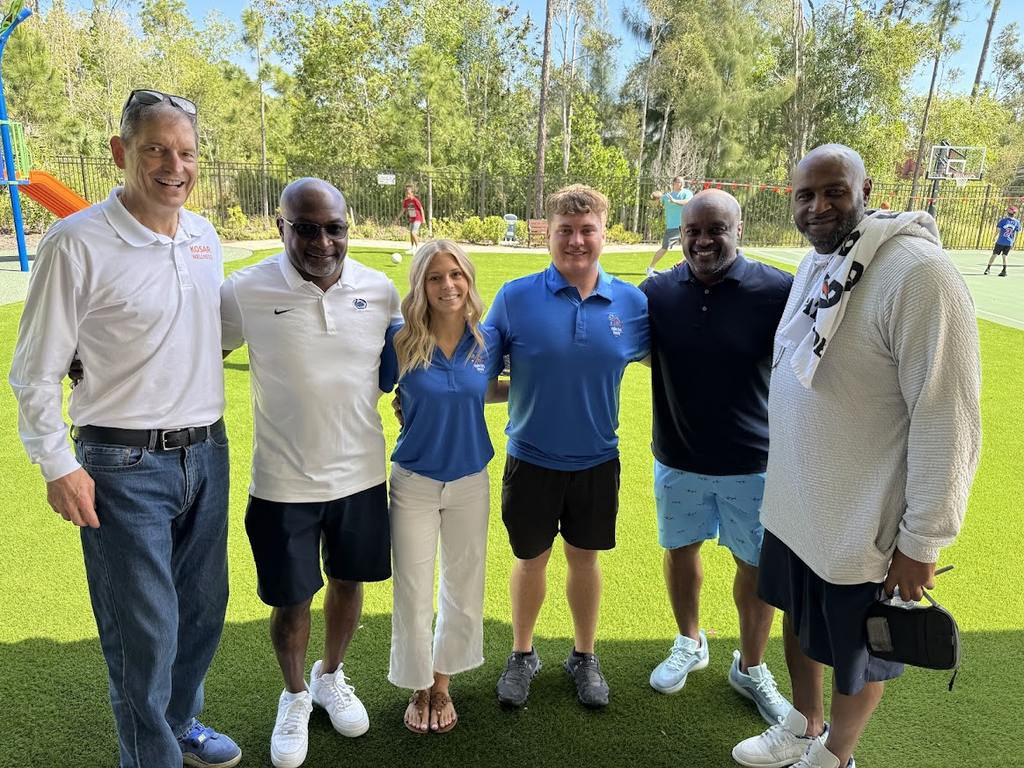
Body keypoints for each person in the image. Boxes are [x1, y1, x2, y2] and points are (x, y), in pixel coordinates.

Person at [9, 89, 240, 768]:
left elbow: (207, 331)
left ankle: (179, 721)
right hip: (120, 463)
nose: (175, 165)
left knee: (202, 611)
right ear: (121, 153)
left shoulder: (203, 238)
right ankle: (152, 757)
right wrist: (57, 463)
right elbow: (33, 370)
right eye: (156, 150)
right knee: (144, 631)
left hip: (207, 451)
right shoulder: (75, 241)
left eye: (186, 152)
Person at [731, 145, 981, 768]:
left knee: (857, 650)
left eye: (834, 191)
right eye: (805, 195)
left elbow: (947, 413)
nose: (818, 207)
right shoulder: (825, 261)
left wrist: (922, 541)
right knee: (795, 620)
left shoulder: (919, 274)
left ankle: (834, 756)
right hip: (795, 507)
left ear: (864, 189)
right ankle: (802, 723)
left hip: (859, 522)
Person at [221, 178, 401, 768]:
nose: (321, 241)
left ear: (348, 228)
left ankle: (331, 676)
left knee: (350, 585)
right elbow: (192, 352)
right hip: (281, 483)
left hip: (362, 477)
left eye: (334, 228)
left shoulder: (379, 290)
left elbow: (408, 364)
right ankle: (296, 694)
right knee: (292, 600)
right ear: (282, 227)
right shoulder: (244, 290)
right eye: (305, 227)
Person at [487, 184, 649, 709]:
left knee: (585, 559)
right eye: (565, 231)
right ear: (548, 234)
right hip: (530, 459)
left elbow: (674, 365)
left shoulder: (632, 302)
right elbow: (479, 378)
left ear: (605, 233)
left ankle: (584, 655)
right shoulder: (514, 298)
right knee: (531, 559)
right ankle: (522, 653)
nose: (576, 241)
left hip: (598, 461)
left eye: (587, 231)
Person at [641, 189, 793, 726]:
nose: (703, 241)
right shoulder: (656, 293)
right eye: (693, 232)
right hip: (677, 458)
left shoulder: (778, 289)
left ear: (739, 229)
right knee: (681, 549)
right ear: (681, 234)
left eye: (716, 230)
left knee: (754, 565)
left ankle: (750, 667)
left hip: (753, 463)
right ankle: (690, 641)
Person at [379, 240, 507, 735]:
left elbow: (491, 387)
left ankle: (441, 683)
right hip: (413, 481)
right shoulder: (401, 339)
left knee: (463, 584)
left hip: (471, 478)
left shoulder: (488, 340)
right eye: (435, 277)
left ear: (468, 279)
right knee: (412, 588)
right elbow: (379, 389)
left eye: (456, 275)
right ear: (421, 286)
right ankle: (416, 684)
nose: (447, 285)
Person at [647, 175, 694, 276]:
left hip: (686, 226)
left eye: (682, 182)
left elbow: (688, 202)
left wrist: (675, 201)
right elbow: (656, 199)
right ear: (674, 184)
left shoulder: (687, 193)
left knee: (688, 247)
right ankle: (650, 268)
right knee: (664, 248)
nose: (681, 184)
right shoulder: (667, 196)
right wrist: (654, 196)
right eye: (679, 182)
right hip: (672, 228)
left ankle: (687, 267)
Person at [984, 205, 1021, 276]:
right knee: (1005, 256)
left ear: (1008, 212)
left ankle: (988, 269)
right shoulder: (1017, 222)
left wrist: (994, 237)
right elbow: (1016, 233)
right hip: (1009, 242)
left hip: (1000, 241)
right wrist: (1014, 242)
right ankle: (1004, 270)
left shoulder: (1003, 221)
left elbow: (998, 230)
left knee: (994, 255)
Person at [402, 185, 426, 253]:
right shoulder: (406, 201)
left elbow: (421, 209)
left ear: (412, 193)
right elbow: (403, 210)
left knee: (413, 232)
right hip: (412, 219)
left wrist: (423, 219)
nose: (407, 194)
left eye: (408, 193)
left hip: (417, 218)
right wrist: (397, 218)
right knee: (411, 233)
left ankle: (418, 248)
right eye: (406, 193)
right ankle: (412, 248)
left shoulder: (415, 200)